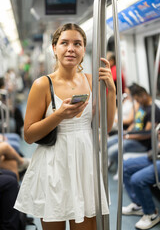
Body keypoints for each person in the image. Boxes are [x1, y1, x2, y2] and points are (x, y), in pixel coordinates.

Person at [14, 23, 116, 230]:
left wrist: (112, 92)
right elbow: (29, 135)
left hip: (85, 164)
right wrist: (59, 115)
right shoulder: (42, 84)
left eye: (77, 44)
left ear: (83, 49)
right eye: (64, 43)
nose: (71, 48)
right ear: (54, 48)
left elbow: (104, 129)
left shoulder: (91, 81)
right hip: (53, 165)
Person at [108, 84, 160, 179]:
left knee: (112, 152)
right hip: (131, 135)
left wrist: (128, 136)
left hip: (141, 143)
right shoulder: (142, 106)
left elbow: (147, 134)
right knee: (107, 143)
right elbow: (135, 121)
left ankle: (119, 170)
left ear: (143, 95)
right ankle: (116, 165)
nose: (136, 101)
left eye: (137, 99)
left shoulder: (153, 110)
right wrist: (128, 131)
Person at [122, 131, 160, 229]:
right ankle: (139, 204)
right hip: (155, 154)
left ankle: (151, 213)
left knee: (137, 180)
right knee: (125, 166)